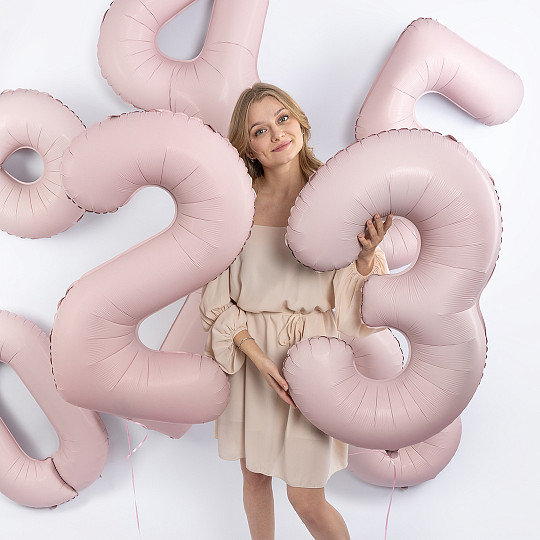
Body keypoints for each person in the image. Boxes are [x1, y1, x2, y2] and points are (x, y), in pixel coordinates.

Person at [200, 82, 392, 540]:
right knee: (254, 477)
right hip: (252, 362)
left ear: (300, 122)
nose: (277, 134)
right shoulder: (238, 204)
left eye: (282, 118)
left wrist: (366, 256)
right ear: (249, 148)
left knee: (306, 498)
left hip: (314, 361)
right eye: (259, 130)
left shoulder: (337, 197)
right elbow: (215, 298)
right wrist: (256, 356)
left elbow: (361, 306)